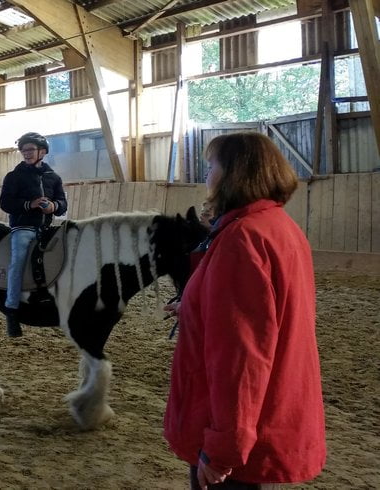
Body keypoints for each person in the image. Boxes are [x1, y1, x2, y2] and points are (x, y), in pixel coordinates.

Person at [163, 132, 326, 489]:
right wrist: (191, 307)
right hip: (269, 416)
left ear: (234, 173)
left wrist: (223, 447)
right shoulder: (280, 227)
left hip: (240, 437)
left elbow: (241, 356)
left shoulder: (241, 239)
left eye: (211, 167)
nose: (206, 176)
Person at [0, 132, 67, 338]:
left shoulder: (53, 178)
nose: (26, 154)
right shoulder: (14, 177)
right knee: (18, 260)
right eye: (23, 150)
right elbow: (6, 203)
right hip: (24, 227)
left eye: (30, 150)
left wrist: (53, 206)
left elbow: (63, 204)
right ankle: (11, 309)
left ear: (42, 152)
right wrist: (31, 205)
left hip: (47, 227)